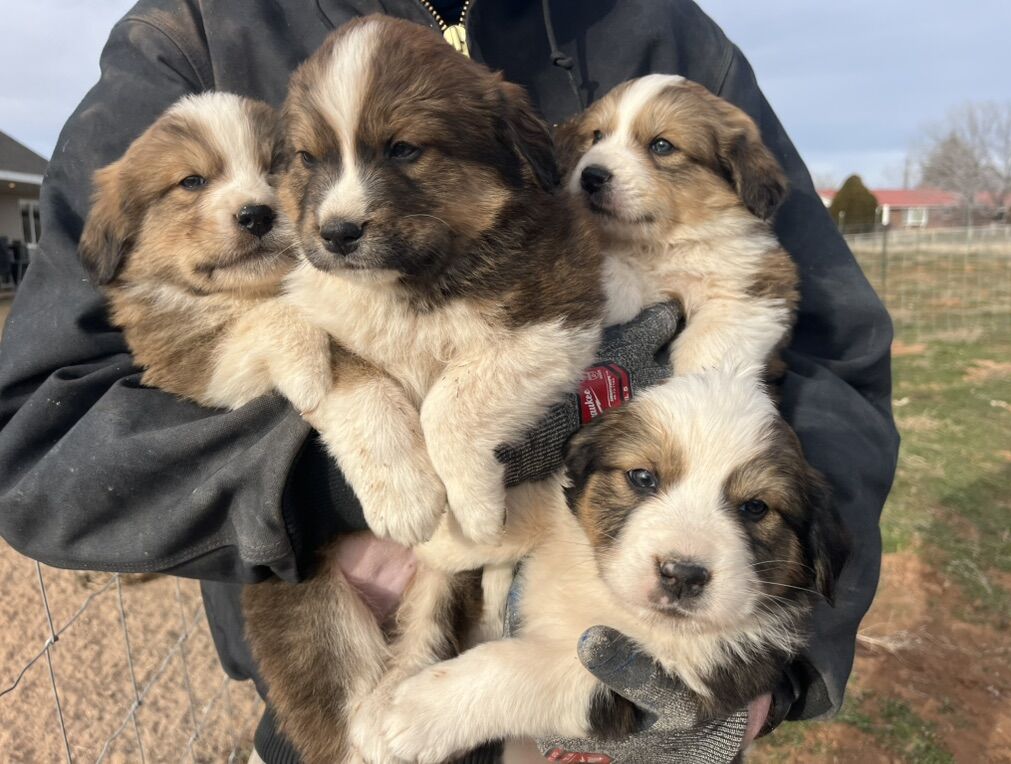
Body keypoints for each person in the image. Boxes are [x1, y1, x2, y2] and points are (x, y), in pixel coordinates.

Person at [0, 1, 898, 762]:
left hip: (618, 660)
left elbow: (833, 354)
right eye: (308, 159)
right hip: (349, 663)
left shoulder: (657, 29)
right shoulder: (204, 31)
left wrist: (760, 673)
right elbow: (40, 436)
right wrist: (341, 480)